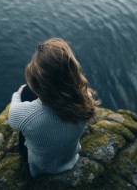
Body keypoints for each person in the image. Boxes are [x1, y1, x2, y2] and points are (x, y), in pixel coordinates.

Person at [8, 38, 100, 177]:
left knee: (26, 94)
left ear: (40, 87)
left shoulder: (26, 115)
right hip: (69, 160)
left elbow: (13, 114)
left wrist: (17, 94)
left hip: (39, 167)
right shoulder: (86, 99)